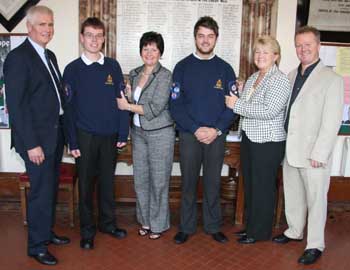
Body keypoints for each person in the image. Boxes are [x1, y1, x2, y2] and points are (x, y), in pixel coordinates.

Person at [3, 5, 70, 266]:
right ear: (29, 27)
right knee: (41, 192)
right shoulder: (19, 58)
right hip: (36, 142)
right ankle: (36, 246)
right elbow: (17, 107)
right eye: (42, 24)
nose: (48, 29)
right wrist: (31, 144)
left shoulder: (49, 54)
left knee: (49, 189)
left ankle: (46, 232)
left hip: (53, 137)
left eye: (51, 24)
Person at [272, 26, 344, 265]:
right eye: (299, 45)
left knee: (316, 200)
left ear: (318, 45)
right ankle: (294, 231)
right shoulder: (291, 75)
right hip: (290, 150)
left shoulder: (332, 79)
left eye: (308, 44)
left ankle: (315, 244)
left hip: (314, 153)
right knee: (293, 195)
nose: (303, 49)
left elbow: (331, 121)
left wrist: (320, 153)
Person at [63, 17, 129, 250]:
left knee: (107, 183)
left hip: (110, 135)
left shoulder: (113, 66)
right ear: (82, 38)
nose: (94, 40)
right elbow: (68, 110)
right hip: (85, 136)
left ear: (104, 38)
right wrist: (72, 140)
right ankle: (87, 230)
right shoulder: (72, 69)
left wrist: (123, 132)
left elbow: (122, 101)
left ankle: (108, 224)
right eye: (89, 35)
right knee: (86, 186)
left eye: (98, 35)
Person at [170, 16, 236, 244]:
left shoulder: (226, 69)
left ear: (216, 38)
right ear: (195, 37)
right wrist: (196, 129)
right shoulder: (182, 67)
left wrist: (216, 129)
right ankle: (186, 227)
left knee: (212, 182)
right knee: (188, 182)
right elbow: (175, 105)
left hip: (216, 136)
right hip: (190, 135)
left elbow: (232, 107)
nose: (205, 40)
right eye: (201, 36)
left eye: (210, 36)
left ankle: (213, 226)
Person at [225, 36, 290, 244]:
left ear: (276, 56)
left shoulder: (279, 79)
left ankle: (259, 233)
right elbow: (246, 104)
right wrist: (239, 98)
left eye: (265, 52)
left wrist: (236, 104)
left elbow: (269, 111)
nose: (260, 56)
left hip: (268, 143)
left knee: (263, 188)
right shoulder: (254, 78)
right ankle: (250, 227)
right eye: (257, 52)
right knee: (251, 186)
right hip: (250, 139)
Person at [117, 32, 175, 240]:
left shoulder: (165, 76)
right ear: (140, 51)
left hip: (161, 133)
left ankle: (158, 224)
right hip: (138, 133)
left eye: (154, 49)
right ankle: (145, 221)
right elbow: (133, 99)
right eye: (146, 48)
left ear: (160, 52)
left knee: (159, 180)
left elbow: (155, 107)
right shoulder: (133, 73)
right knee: (140, 179)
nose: (149, 53)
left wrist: (128, 105)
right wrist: (129, 94)